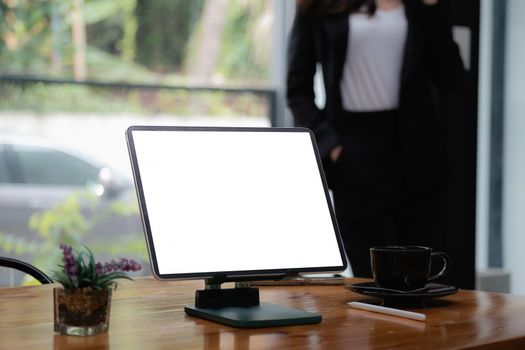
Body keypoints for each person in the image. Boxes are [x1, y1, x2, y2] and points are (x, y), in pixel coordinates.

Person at [286, 0, 465, 277]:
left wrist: (434, 11)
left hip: (417, 156)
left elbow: (451, 78)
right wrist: (332, 146)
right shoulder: (321, 5)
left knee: (425, 282)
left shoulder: (420, 7)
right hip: (354, 155)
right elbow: (297, 90)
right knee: (373, 282)